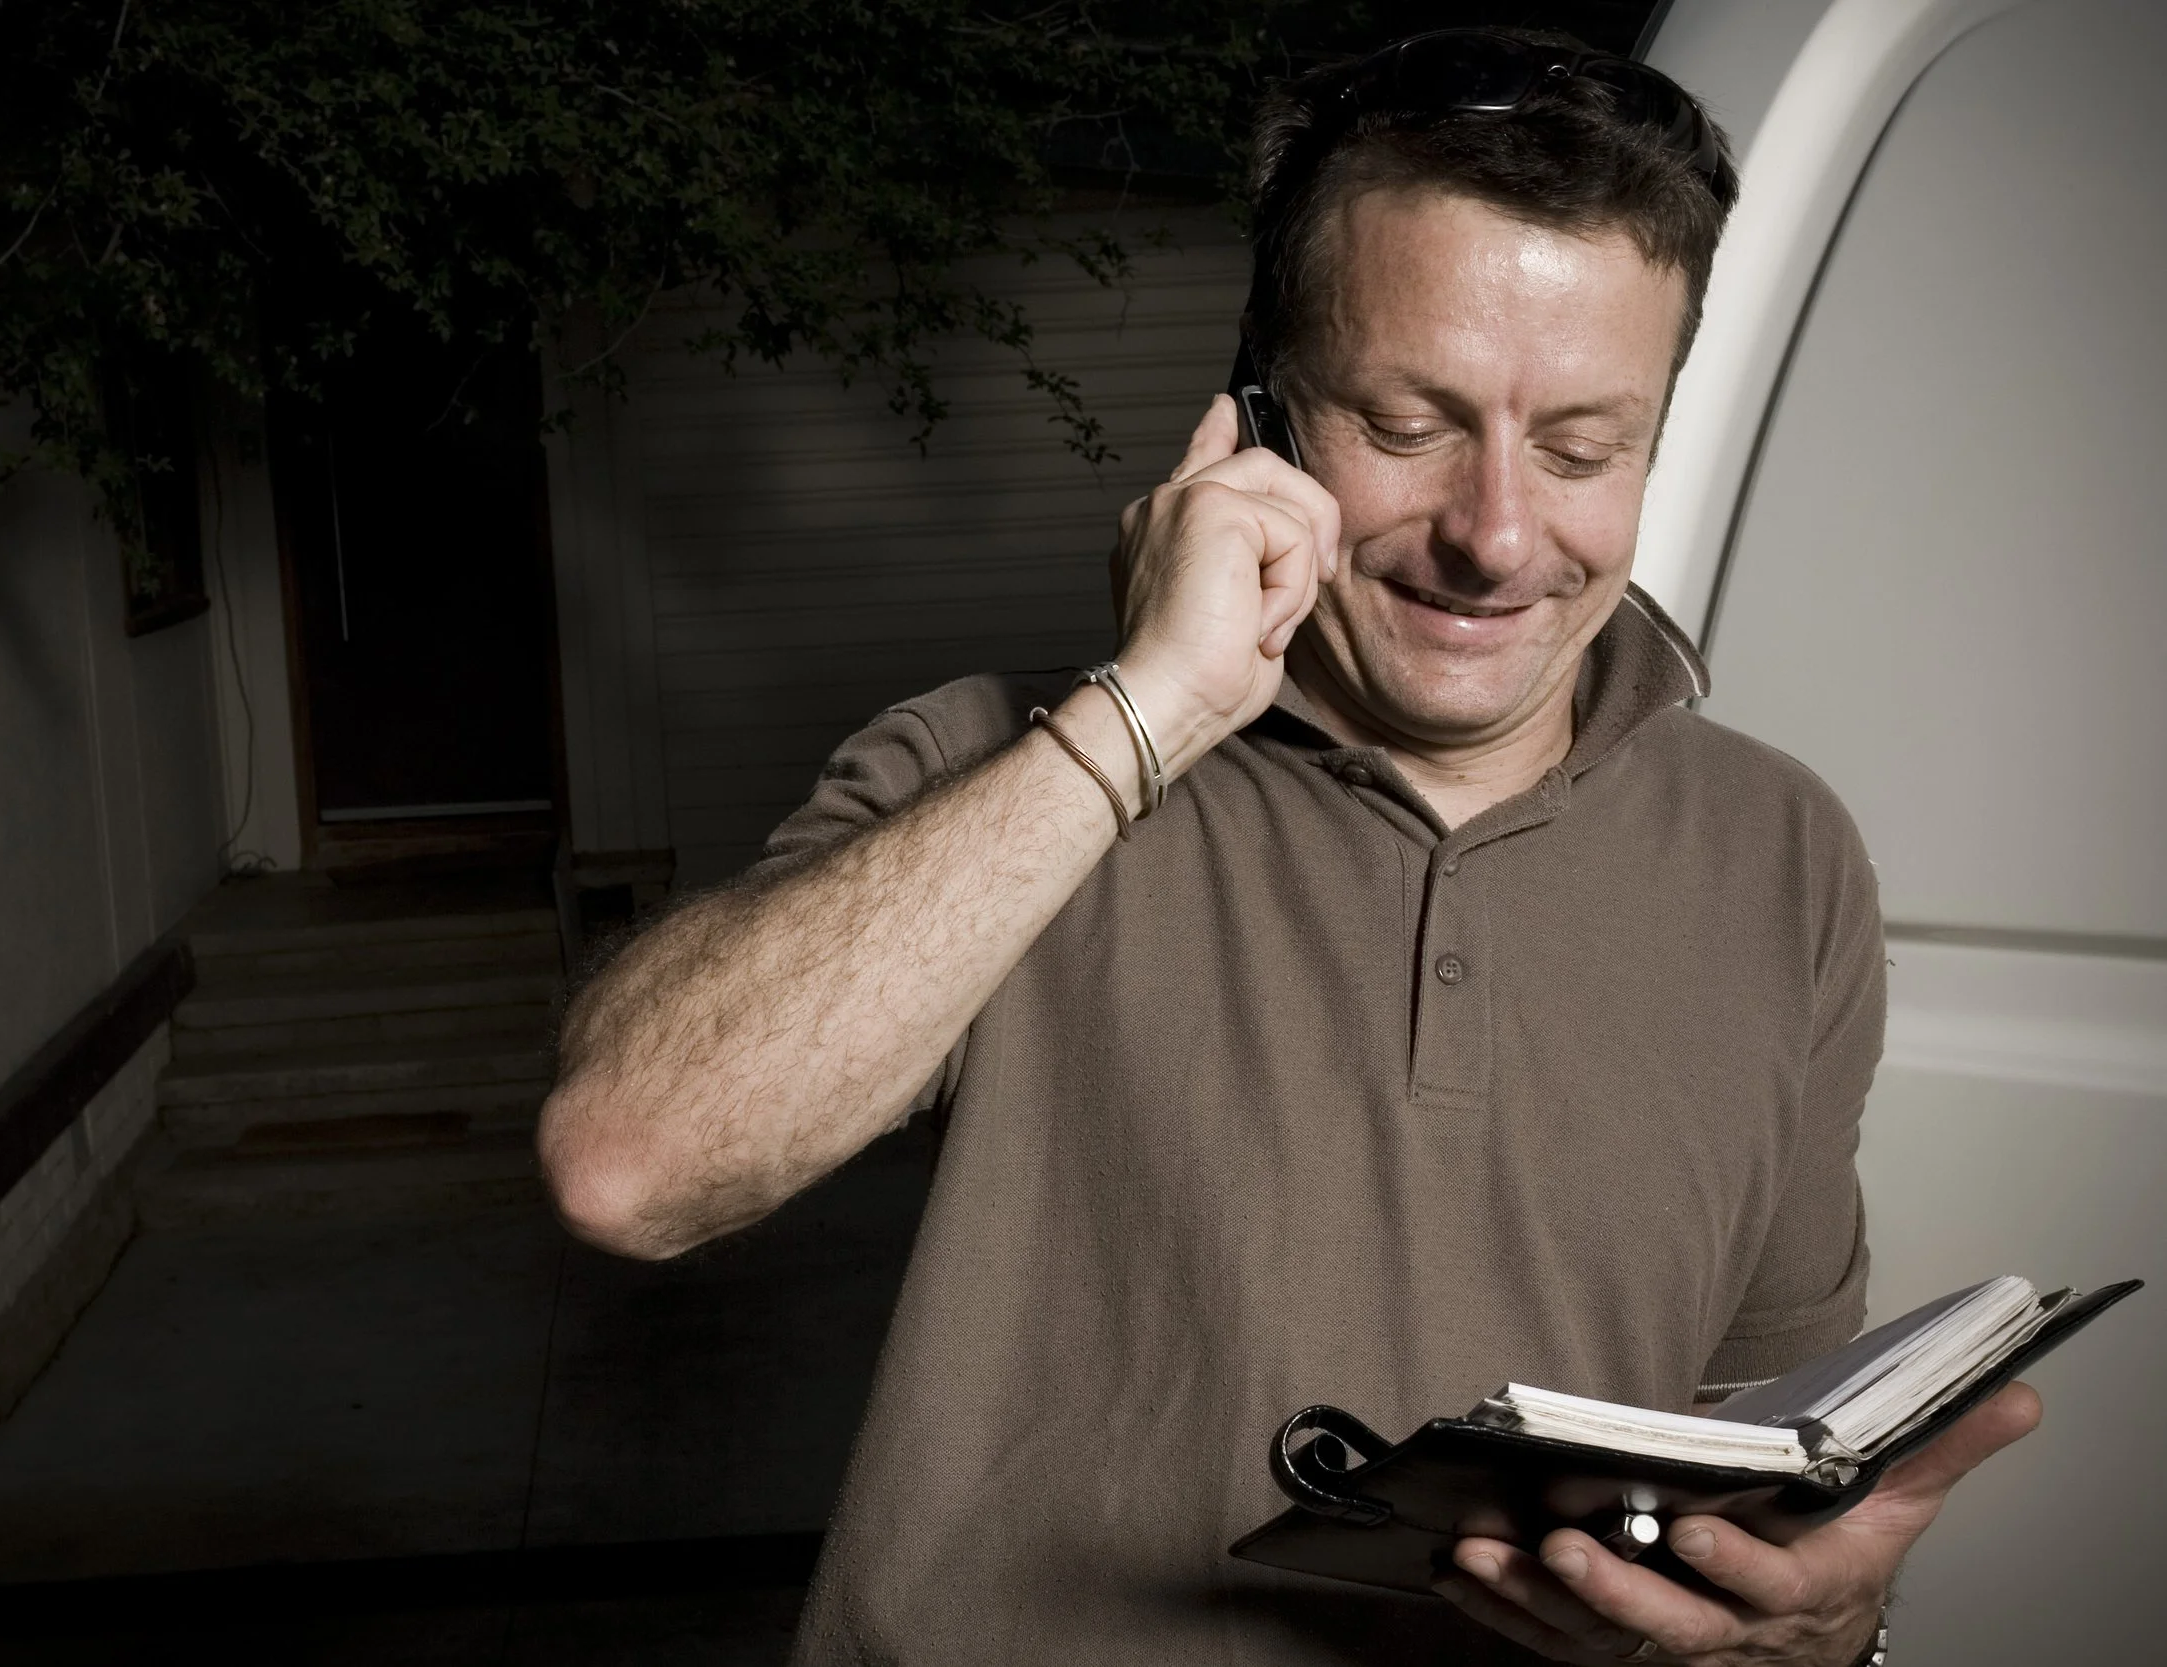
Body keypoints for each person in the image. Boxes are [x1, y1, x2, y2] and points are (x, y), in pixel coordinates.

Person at [537, 28, 2040, 1667]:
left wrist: (1826, 1627)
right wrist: (1149, 713)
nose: (1498, 535)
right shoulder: (996, 763)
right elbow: (630, 1160)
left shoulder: (1785, 852)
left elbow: (1757, 1433)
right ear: (1260, 411)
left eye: (1584, 447)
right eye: (1407, 422)